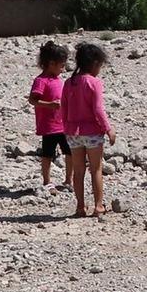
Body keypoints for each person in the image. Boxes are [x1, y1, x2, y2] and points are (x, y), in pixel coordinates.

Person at [61, 43, 116, 217]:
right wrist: (108, 129)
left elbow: (63, 107)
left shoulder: (69, 83)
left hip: (72, 133)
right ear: (94, 63)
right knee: (96, 168)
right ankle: (98, 206)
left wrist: (66, 128)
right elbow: (98, 110)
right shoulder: (94, 83)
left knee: (78, 170)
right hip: (92, 132)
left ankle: (80, 206)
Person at [28, 41, 73, 194]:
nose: (63, 69)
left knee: (70, 152)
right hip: (49, 126)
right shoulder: (41, 81)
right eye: (61, 65)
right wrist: (49, 104)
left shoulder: (58, 80)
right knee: (48, 154)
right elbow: (32, 100)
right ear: (51, 63)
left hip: (64, 124)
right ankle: (47, 181)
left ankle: (68, 180)